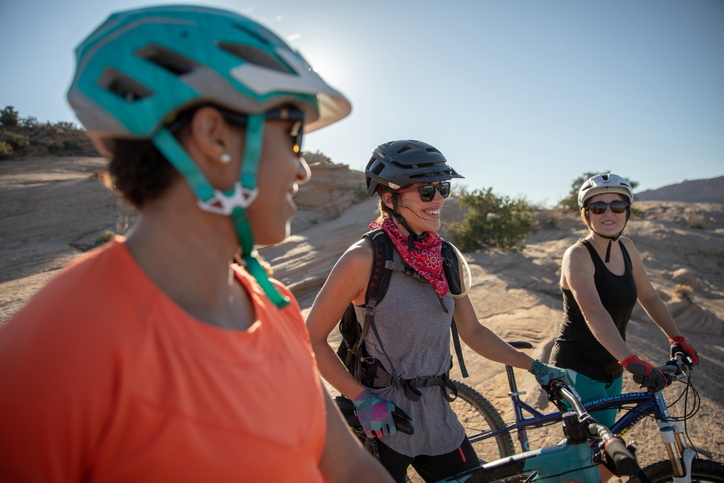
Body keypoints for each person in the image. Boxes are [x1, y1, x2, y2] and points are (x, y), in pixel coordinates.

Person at [0, 6, 395, 482]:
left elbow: (349, 469)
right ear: (213, 135)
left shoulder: (276, 305)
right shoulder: (55, 351)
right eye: (292, 136)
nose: (303, 169)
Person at [306, 140, 569, 483]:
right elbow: (311, 338)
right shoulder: (363, 259)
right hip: (383, 421)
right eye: (427, 191)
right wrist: (362, 398)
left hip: (438, 419)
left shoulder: (444, 257)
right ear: (389, 198)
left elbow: (472, 331)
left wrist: (536, 367)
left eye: (442, 188)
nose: (440, 200)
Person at [550, 173, 700, 429]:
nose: (608, 214)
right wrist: (630, 359)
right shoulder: (577, 255)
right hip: (577, 367)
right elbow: (593, 311)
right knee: (601, 455)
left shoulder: (627, 247)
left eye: (617, 206)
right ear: (587, 214)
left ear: (627, 211)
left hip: (612, 366)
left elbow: (650, 297)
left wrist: (677, 338)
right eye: (598, 208)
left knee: (602, 451)